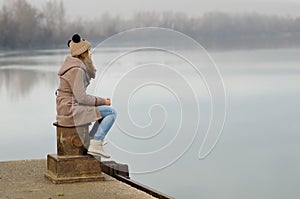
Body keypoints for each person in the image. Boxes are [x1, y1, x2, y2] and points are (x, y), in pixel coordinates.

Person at [56, 33, 116, 158]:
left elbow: (79, 96)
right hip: (70, 111)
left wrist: (100, 102)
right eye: (89, 50)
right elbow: (81, 97)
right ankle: (96, 142)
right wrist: (103, 101)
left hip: (67, 108)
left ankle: (93, 141)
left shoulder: (74, 66)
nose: (91, 53)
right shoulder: (77, 70)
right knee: (111, 112)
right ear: (83, 53)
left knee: (103, 112)